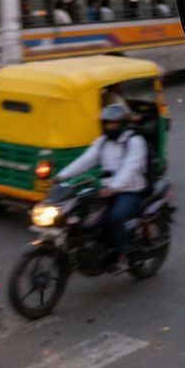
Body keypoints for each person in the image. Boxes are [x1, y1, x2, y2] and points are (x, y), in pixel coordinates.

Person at [52, 104, 147, 269]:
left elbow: (131, 168)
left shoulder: (135, 142)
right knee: (81, 211)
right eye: (107, 123)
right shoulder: (102, 142)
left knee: (115, 217)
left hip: (130, 190)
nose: (110, 127)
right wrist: (62, 175)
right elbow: (85, 160)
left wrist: (113, 188)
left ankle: (121, 255)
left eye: (114, 123)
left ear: (122, 123)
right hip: (106, 190)